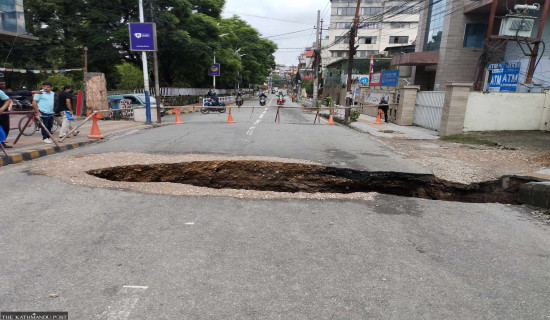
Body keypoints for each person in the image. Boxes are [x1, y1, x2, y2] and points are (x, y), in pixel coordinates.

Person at [0, 78, 41, 148]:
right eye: (1, 84)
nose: (3, 85)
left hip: (4, 112)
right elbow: (14, 94)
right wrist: (30, 92)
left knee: (5, 127)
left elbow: (13, 96)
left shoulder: (2, 92)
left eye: (3, 84)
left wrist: (2, 109)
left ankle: (2, 143)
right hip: (3, 112)